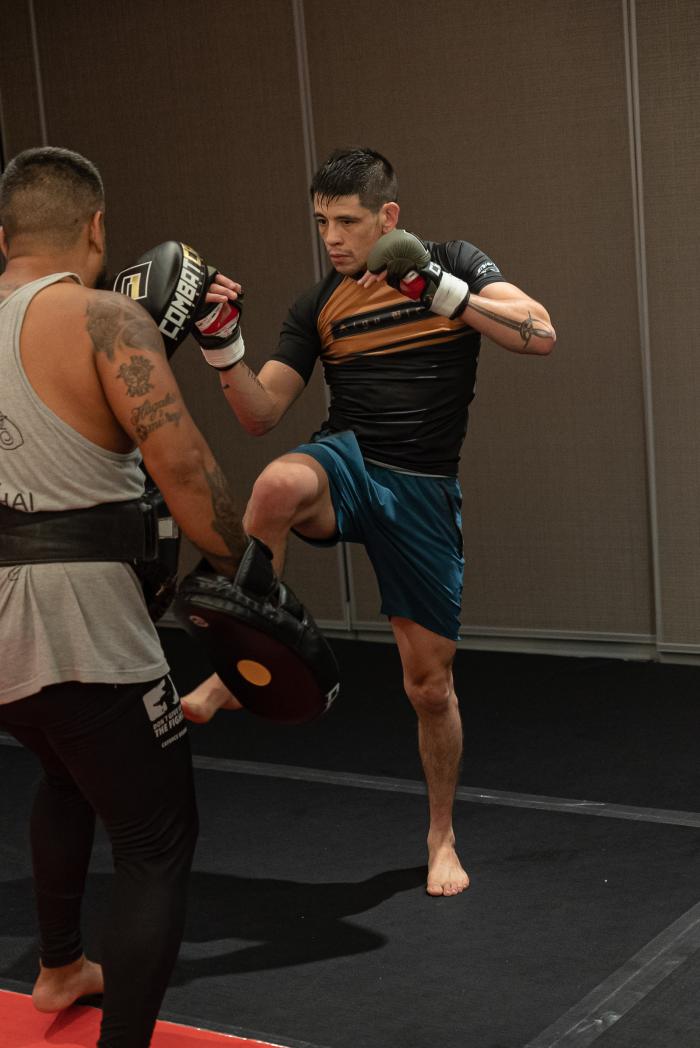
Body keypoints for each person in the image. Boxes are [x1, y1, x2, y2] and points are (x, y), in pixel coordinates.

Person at [181, 147, 557, 897]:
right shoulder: (319, 304)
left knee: (428, 687)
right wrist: (223, 348)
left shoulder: (453, 261)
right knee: (277, 484)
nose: (334, 239)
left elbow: (539, 333)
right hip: (347, 461)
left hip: (421, 489)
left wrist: (442, 291)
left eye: (347, 222)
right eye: (322, 222)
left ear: (388, 217)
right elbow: (261, 414)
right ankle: (239, 661)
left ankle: (441, 834)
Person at [0, 147, 249, 1046]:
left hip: (4, 639)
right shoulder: (105, 317)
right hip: (80, 625)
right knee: (154, 841)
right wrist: (251, 578)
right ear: (98, 228)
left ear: (3, 238)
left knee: (63, 768)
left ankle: (61, 964)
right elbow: (182, 468)